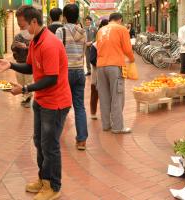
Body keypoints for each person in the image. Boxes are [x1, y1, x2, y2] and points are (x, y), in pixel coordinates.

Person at [0, 5, 72, 200]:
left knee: (50, 146)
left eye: (23, 25)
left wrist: (25, 89)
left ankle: (53, 186)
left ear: (34, 22)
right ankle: (43, 178)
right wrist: (10, 64)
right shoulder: (36, 41)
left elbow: (51, 78)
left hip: (55, 103)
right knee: (39, 142)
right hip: (42, 100)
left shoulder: (49, 44)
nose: (22, 29)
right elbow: (30, 67)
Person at [55, 4, 88, 150]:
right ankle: (81, 140)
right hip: (80, 71)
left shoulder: (60, 31)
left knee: (61, 105)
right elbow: (84, 50)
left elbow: (55, 51)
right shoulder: (83, 31)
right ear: (77, 17)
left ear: (65, 16)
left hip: (65, 72)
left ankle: (55, 136)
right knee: (79, 106)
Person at [96, 12, 134, 134]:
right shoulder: (121, 29)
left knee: (104, 96)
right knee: (117, 96)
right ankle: (117, 127)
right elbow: (127, 49)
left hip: (101, 66)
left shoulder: (101, 30)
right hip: (115, 65)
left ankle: (106, 124)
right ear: (120, 20)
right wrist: (132, 59)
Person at [11, 8, 33, 108]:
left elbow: (35, 49)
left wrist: (26, 47)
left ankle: (28, 98)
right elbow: (12, 47)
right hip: (19, 62)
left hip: (28, 63)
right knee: (20, 81)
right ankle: (25, 97)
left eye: (22, 24)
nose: (21, 27)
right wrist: (16, 47)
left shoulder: (33, 36)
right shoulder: (18, 36)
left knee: (28, 81)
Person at [89, 19, 108, 120]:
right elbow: (92, 59)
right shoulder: (95, 45)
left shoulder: (107, 44)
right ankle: (93, 112)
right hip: (97, 73)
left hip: (104, 72)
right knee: (95, 93)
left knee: (104, 94)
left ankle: (103, 113)